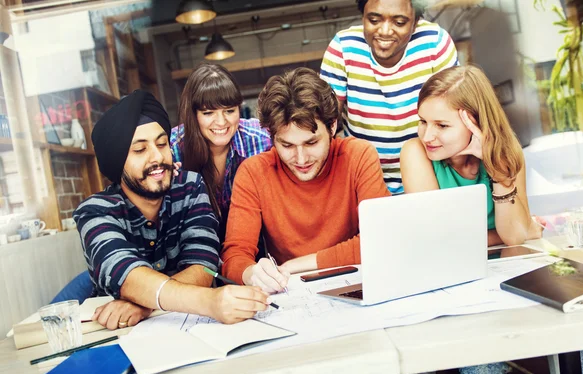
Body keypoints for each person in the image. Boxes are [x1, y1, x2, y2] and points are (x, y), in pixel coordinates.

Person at [399, 65, 546, 374]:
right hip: (453, 287)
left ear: (475, 123)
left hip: (505, 283)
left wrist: (497, 170)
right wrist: (514, 231)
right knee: (487, 361)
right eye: (423, 121)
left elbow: (516, 239)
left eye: (441, 125)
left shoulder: (507, 155)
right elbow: (440, 243)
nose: (427, 135)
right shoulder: (416, 154)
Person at [72, 89, 269, 329]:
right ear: (117, 161)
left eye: (162, 144)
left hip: (192, 328)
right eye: (140, 150)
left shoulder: (189, 188)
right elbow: (127, 276)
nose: (157, 157)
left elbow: (204, 266)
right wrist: (210, 302)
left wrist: (143, 305)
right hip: (119, 331)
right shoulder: (95, 211)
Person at [221, 67, 390, 293]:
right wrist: (252, 273)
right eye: (287, 145)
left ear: (332, 127)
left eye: (311, 143)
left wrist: (293, 266)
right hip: (292, 294)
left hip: (357, 284)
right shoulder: (253, 173)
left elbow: (380, 238)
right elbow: (234, 256)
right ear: (271, 136)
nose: (301, 159)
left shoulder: (358, 156)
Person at [320, 0, 458, 195]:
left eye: (399, 22)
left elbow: (453, 117)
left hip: (429, 175)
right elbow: (326, 123)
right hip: (364, 180)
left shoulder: (435, 44)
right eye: (374, 20)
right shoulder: (343, 47)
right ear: (363, 16)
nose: (384, 31)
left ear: (416, 21)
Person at [169, 63, 272, 243]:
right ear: (193, 115)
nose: (221, 122)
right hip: (193, 247)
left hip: (255, 242)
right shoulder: (172, 148)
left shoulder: (262, 138)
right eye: (208, 113)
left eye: (229, 111)